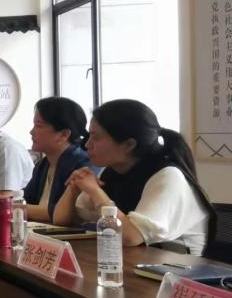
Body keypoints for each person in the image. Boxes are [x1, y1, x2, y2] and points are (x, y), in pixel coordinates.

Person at [53, 99, 215, 254]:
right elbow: (61, 221)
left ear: (129, 145)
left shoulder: (167, 176)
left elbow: (130, 236)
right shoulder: (111, 171)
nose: (88, 144)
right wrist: (73, 188)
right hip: (136, 260)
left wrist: (95, 192)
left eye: (96, 137)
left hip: (178, 267)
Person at [0, 97, 93, 221]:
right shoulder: (43, 164)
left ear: (63, 135)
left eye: (38, 126)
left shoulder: (80, 164)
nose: (31, 132)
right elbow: (25, 201)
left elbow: (57, 213)